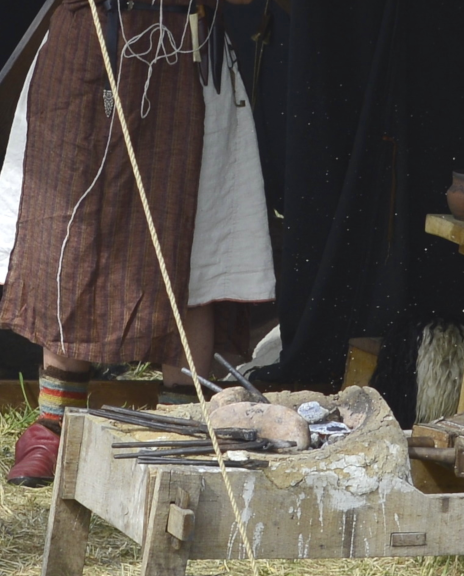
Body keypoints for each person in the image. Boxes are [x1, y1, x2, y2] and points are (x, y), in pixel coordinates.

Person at [0, 0, 275, 486]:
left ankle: (180, 427)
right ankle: (54, 427)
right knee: (70, 236)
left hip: (184, 51)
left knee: (190, 243)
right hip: (86, 49)